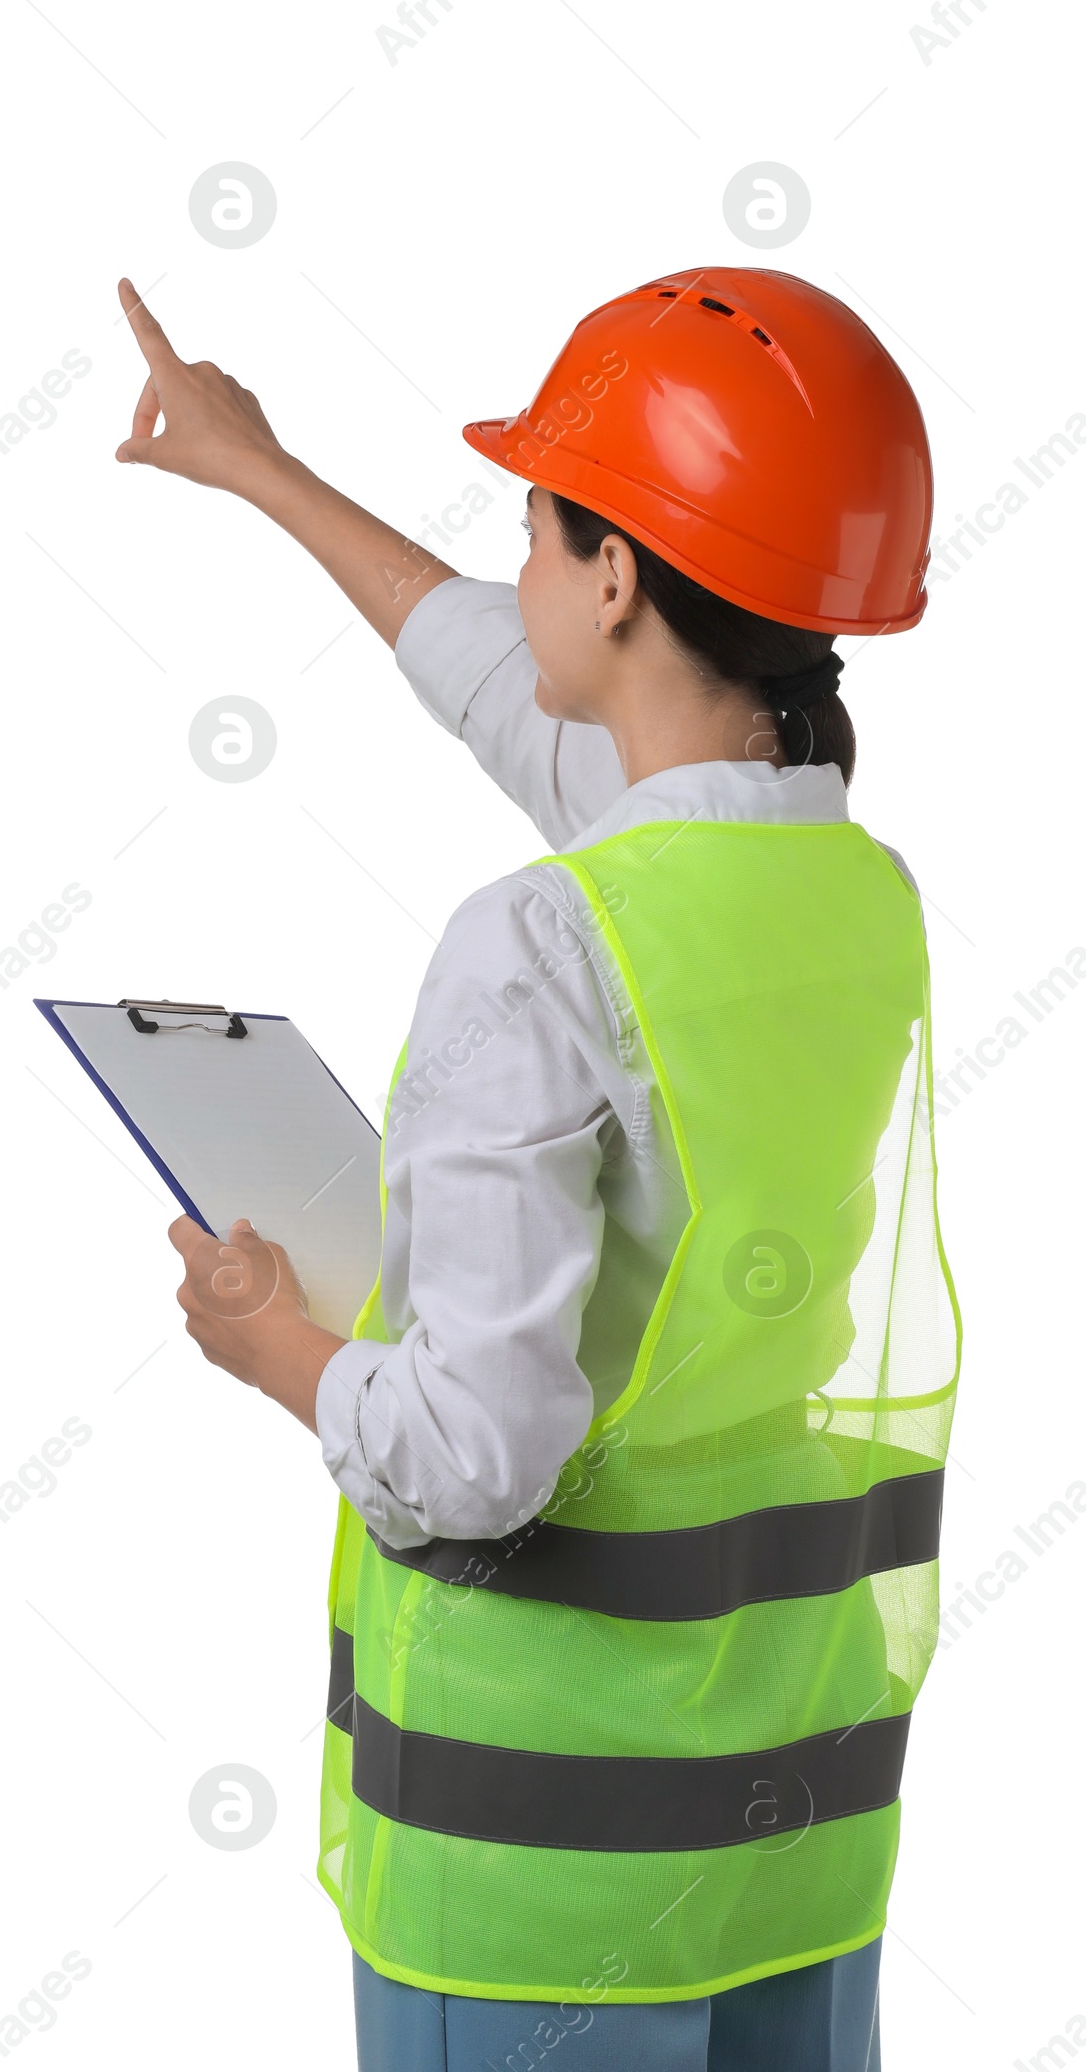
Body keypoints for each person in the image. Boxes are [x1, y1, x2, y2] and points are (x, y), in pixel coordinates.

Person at [118, 266, 962, 2072]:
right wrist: (263, 473)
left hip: (542, 1878)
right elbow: (520, 697)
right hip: (786, 1818)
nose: (512, 567)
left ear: (616, 577)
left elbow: (475, 1459)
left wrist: (282, 1342)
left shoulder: (540, 947)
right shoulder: (850, 900)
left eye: (533, 524)